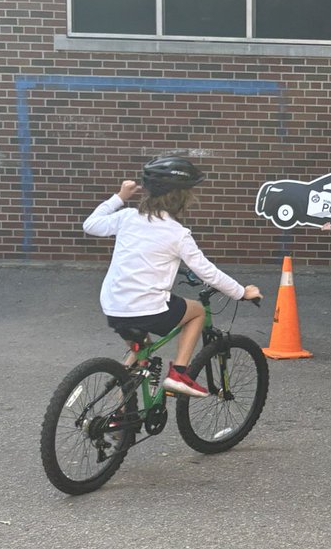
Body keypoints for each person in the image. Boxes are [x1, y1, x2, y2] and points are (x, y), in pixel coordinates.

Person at [83, 155, 261, 398]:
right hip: (148, 309)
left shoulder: (126, 217)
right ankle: (179, 372)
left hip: (115, 307)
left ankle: (118, 416)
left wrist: (120, 198)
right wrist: (242, 292)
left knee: (141, 354)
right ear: (182, 198)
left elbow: (90, 225)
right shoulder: (178, 233)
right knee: (197, 310)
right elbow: (207, 271)